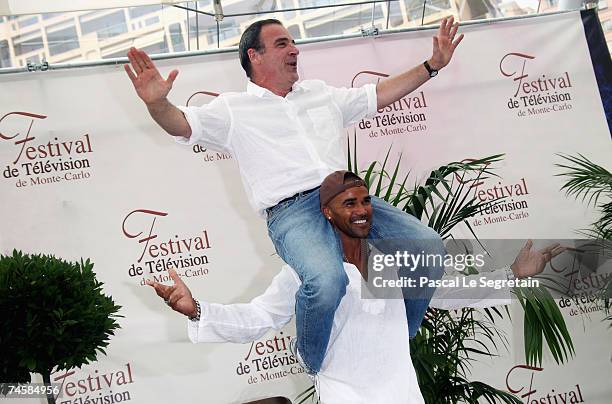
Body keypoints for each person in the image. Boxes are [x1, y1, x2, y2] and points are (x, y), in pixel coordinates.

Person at [125, 17, 464, 375]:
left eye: (293, 42)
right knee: (326, 281)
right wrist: (156, 104)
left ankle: (402, 335)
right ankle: (310, 357)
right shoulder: (232, 110)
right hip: (293, 212)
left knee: (426, 245)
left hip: (346, 197)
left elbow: (377, 94)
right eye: (283, 44)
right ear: (254, 56)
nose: (295, 50)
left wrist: (432, 67)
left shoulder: (321, 93)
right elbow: (181, 123)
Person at [147, 171, 565, 403]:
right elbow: (261, 316)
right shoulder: (312, 271)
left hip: (402, 391)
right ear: (327, 214)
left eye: (366, 201)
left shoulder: (390, 259)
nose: (362, 210)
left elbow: (446, 293)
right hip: (346, 395)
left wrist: (513, 275)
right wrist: (198, 310)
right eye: (350, 204)